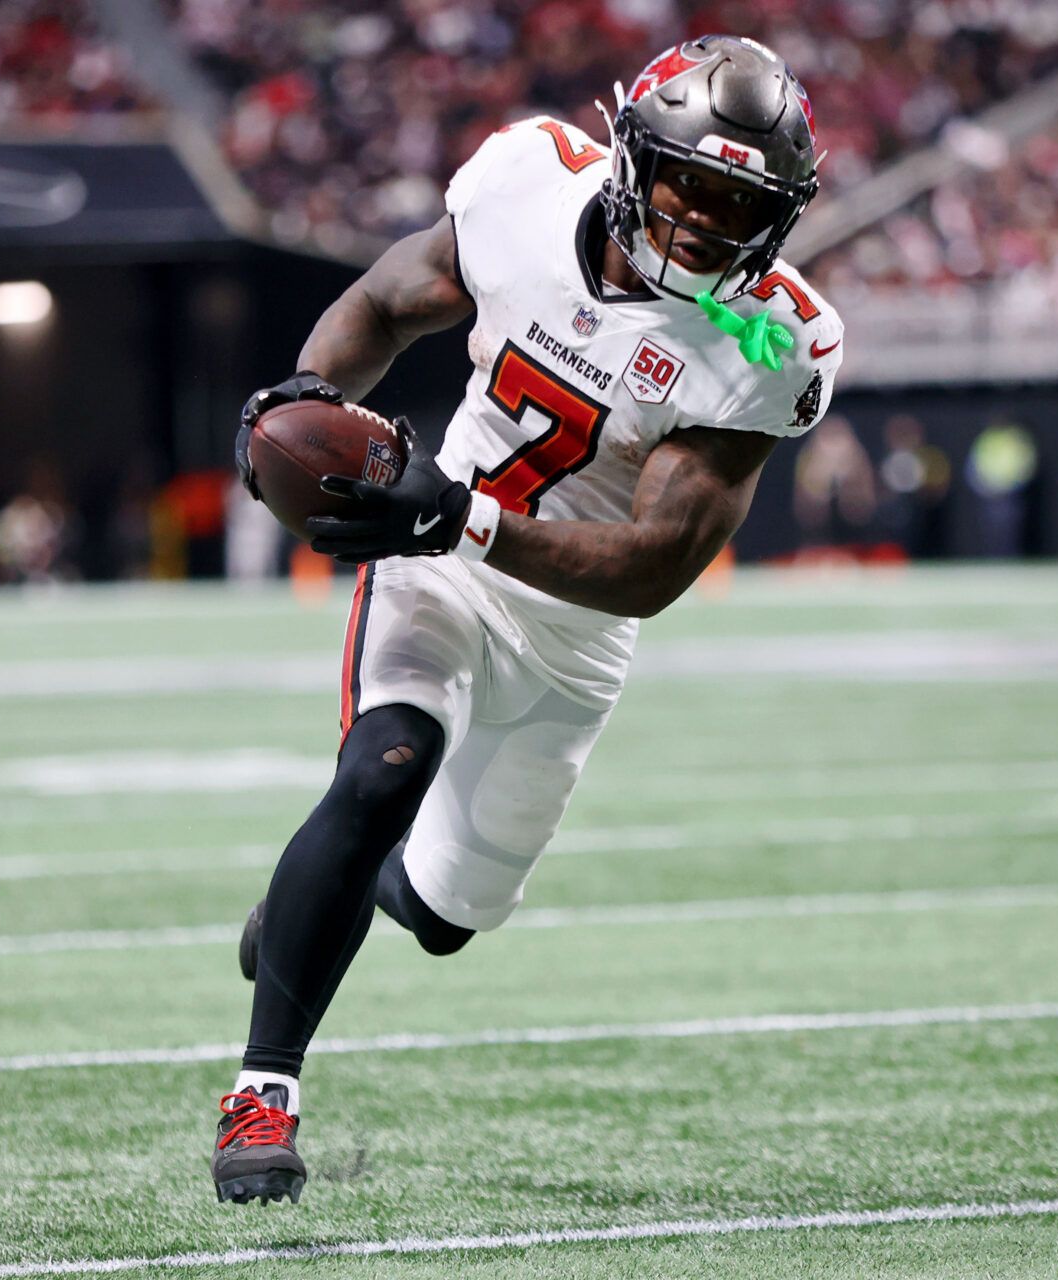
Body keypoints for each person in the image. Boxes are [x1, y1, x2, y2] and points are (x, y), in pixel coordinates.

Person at [213, 35, 842, 1206]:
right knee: (381, 767)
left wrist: (468, 520)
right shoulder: (523, 187)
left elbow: (653, 565)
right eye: (689, 184)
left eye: (740, 203)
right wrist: (308, 400)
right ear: (630, 161)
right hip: (435, 557)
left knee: (451, 915)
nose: (707, 222)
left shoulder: (772, 342)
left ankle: (334, 896)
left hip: (574, 619)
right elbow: (382, 299)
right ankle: (263, 1089)